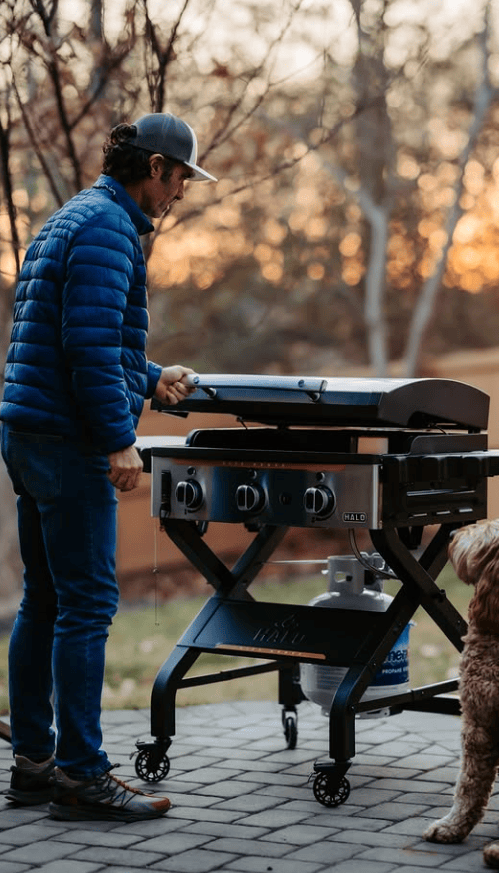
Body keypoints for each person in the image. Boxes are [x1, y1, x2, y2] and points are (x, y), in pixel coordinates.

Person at [0, 113, 216, 822]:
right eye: (182, 174)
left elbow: (85, 337)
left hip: (31, 432)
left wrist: (152, 376)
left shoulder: (73, 217)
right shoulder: (107, 229)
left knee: (46, 598)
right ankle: (81, 774)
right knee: (88, 602)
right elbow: (87, 352)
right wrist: (120, 438)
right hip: (67, 441)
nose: (184, 189)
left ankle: (35, 763)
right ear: (155, 168)